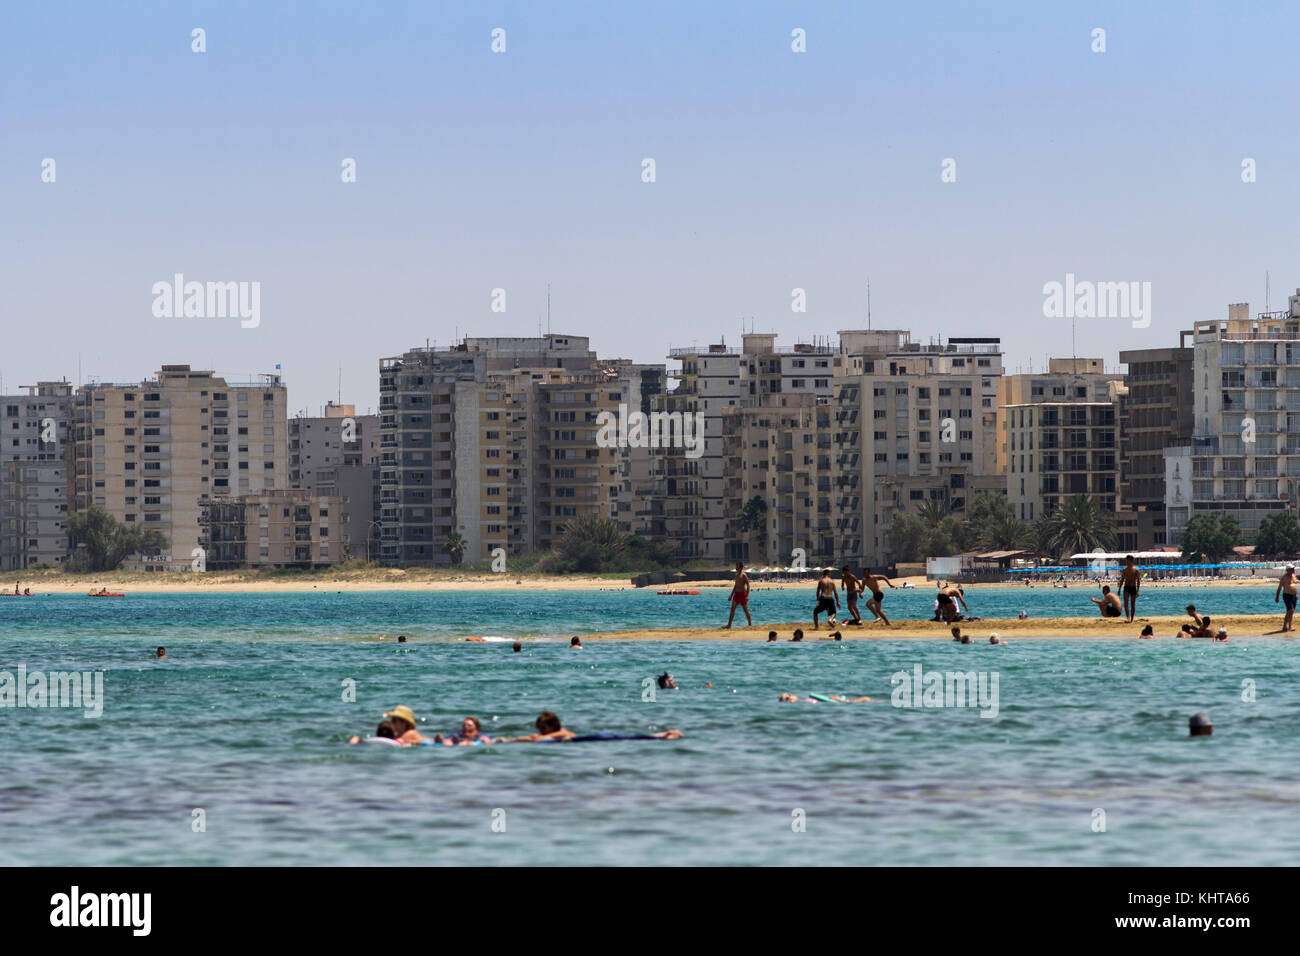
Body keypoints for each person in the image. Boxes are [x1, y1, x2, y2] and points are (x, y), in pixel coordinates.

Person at [724, 562, 752, 629]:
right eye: (736, 566)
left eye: (737, 566)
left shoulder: (744, 575)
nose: (736, 567)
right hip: (736, 594)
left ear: (741, 567)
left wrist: (747, 595)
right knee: (732, 609)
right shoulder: (736, 574)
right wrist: (731, 595)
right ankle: (729, 625)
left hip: (742, 594)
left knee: (745, 610)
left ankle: (750, 624)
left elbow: (748, 585)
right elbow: (735, 585)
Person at [1119, 555, 1141, 623]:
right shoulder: (1124, 570)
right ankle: (1128, 617)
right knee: (1126, 603)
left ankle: (1132, 619)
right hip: (1126, 587)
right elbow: (1122, 579)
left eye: (1127, 560)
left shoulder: (1136, 570)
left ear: (1130, 560)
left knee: (1132, 604)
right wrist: (1119, 589)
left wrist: (1137, 591)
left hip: (1133, 587)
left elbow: (1138, 581)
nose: (1126, 561)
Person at [1275, 565, 1297, 633]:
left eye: (1293, 569)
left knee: (1290, 611)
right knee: (1291, 610)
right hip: (1287, 595)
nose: (1293, 570)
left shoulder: (1294, 576)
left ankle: (1285, 626)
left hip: (1294, 596)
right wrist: (1277, 597)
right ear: (1288, 570)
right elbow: (1279, 588)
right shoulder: (1284, 578)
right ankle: (1290, 626)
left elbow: (1295, 585)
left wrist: (1296, 594)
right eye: (1291, 569)